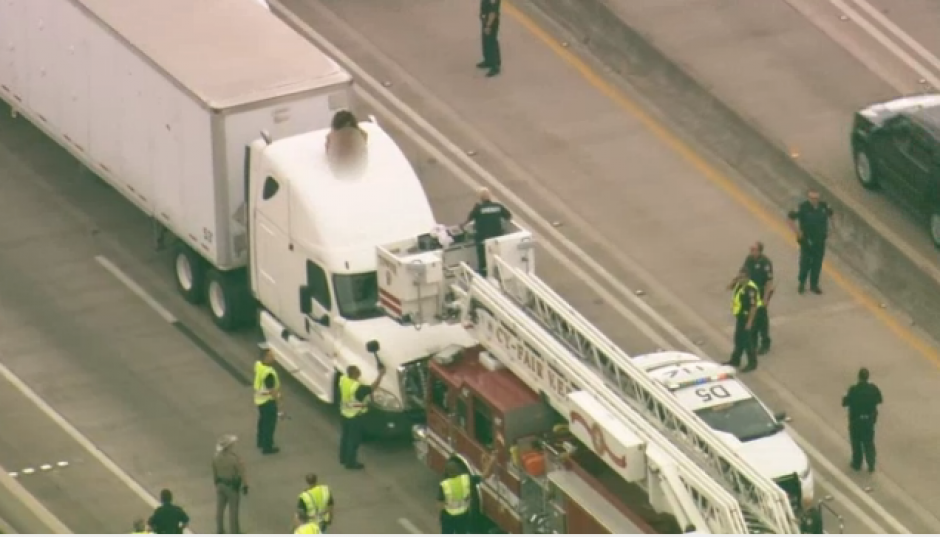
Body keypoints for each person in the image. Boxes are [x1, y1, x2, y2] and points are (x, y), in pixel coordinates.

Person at [338, 364, 386, 469]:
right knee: (353, 441)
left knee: (345, 437)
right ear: (354, 374)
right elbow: (372, 388)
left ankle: (342, 458)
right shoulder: (357, 388)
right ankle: (350, 463)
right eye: (357, 370)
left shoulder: (343, 379)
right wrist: (380, 375)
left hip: (344, 412)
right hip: (355, 416)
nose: (359, 371)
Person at [787, 189, 834, 295]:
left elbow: (831, 215)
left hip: (820, 241)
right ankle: (802, 283)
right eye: (812, 198)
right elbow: (790, 219)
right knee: (805, 263)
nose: (814, 200)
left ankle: (814, 285)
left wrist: (832, 229)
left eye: (816, 198)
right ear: (808, 198)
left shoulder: (824, 206)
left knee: (817, 263)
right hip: (806, 241)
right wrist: (798, 233)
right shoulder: (802, 207)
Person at [438, 453, 497, 534]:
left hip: (448, 518)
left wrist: (442, 517)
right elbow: (484, 476)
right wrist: (491, 462)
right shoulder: (466, 480)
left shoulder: (445, 485)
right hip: (462, 518)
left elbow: (440, 504)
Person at [463, 188, 512, 277]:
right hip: (497, 239)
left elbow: (469, 219)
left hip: (483, 239)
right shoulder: (498, 206)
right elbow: (508, 216)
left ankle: (484, 274)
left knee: (483, 261)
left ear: (480, 198)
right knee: (497, 258)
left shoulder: (478, 209)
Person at [842, 367, 883, 472]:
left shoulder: (854, 389)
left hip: (856, 420)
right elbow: (880, 399)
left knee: (856, 443)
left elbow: (845, 402)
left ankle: (857, 463)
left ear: (859, 377)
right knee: (869, 442)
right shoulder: (873, 389)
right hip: (869, 421)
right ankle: (871, 464)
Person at [739, 241, 775, 354]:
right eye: (751, 249)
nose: (751, 251)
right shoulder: (749, 259)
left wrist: (765, 299)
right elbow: (744, 274)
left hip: (761, 293)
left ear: (759, 251)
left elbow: (769, 281)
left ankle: (765, 342)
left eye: (754, 249)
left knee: (762, 319)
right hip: (751, 293)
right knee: (752, 317)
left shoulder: (765, 263)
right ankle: (753, 342)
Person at [725, 268, 761, 372]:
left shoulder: (751, 289)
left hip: (748, 317)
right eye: (739, 276)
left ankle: (752, 363)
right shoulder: (740, 284)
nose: (740, 279)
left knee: (747, 341)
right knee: (738, 339)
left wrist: (749, 322)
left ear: (747, 277)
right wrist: (734, 280)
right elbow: (728, 288)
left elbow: (753, 307)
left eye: (742, 277)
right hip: (740, 316)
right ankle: (735, 360)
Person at [212, 434, 248, 534]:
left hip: (220, 484)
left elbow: (214, 471)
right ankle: (234, 532)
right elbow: (241, 472)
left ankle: (219, 530)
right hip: (232, 486)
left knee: (220, 510)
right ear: (229, 447)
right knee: (233, 512)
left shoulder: (216, 457)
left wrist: (216, 482)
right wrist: (245, 485)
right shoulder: (234, 459)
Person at [254, 348, 282, 455]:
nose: (273, 357)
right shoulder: (268, 373)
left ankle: (260, 441)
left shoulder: (258, 365)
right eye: (271, 356)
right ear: (265, 357)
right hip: (268, 401)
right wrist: (278, 399)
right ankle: (267, 447)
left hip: (259, 400)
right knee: (269, 424)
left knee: (262, 422)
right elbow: (271, 389)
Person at [476, 0, 502, 77]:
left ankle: (495, 66)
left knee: (491, 42)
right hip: (486, 20)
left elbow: (493, 12)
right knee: (485, 41)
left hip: (491, 22)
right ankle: (488, 60)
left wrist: (488, 25)